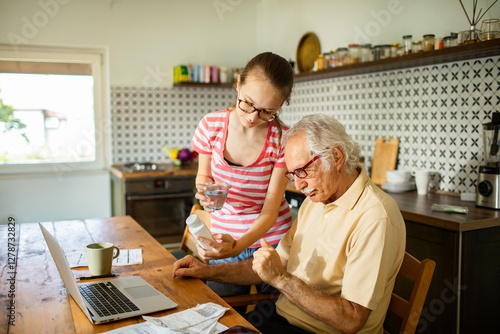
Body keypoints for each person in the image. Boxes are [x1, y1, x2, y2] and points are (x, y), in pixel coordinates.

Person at [175, 114, 406, 333]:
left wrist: (281, 280)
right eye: (292, 174)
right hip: (280, 317)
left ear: (336, 157)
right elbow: (275, 266)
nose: (298, 186)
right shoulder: (315, 201)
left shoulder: (375, 217)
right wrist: (206, 271)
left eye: (304, 171)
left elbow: (351, 319)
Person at [190, 52, 294, 297]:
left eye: (267, 112)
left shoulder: (282, 138)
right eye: (247, 103)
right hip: (223, 239)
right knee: (221, 317)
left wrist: (238, 247)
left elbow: (270, 211)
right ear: (238, 83)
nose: (252, 117)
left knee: (272, 321)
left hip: (273, 244)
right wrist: (205, 192)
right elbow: (203, 176)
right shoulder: (211, 125)